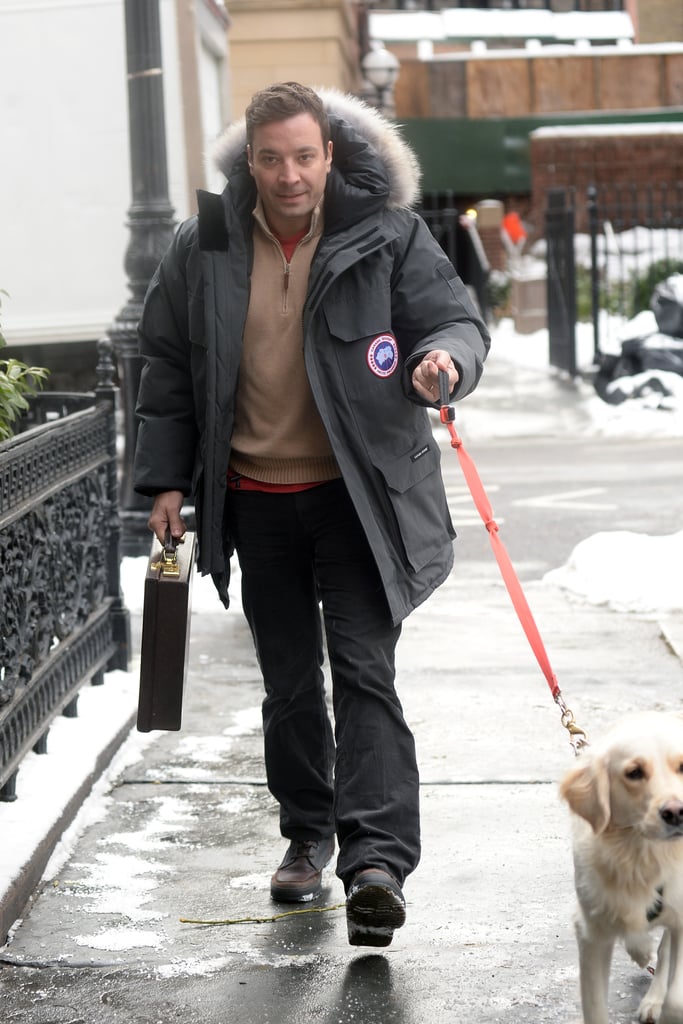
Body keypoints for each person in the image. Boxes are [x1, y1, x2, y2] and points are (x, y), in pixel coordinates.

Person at [133, 82, 490, 947]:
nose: (288, 175)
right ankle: (306, 832)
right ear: (247, 162)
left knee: (363, 671)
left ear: (330, 154)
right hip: (256, 499)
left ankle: (375, 864)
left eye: (303, 156)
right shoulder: (203, 245)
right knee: (290, 684)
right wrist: (166, 483)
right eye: (270, 158)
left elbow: (454, 318)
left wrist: (442, 358)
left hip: (356, 499)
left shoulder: (387, 235)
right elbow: (170, 370)